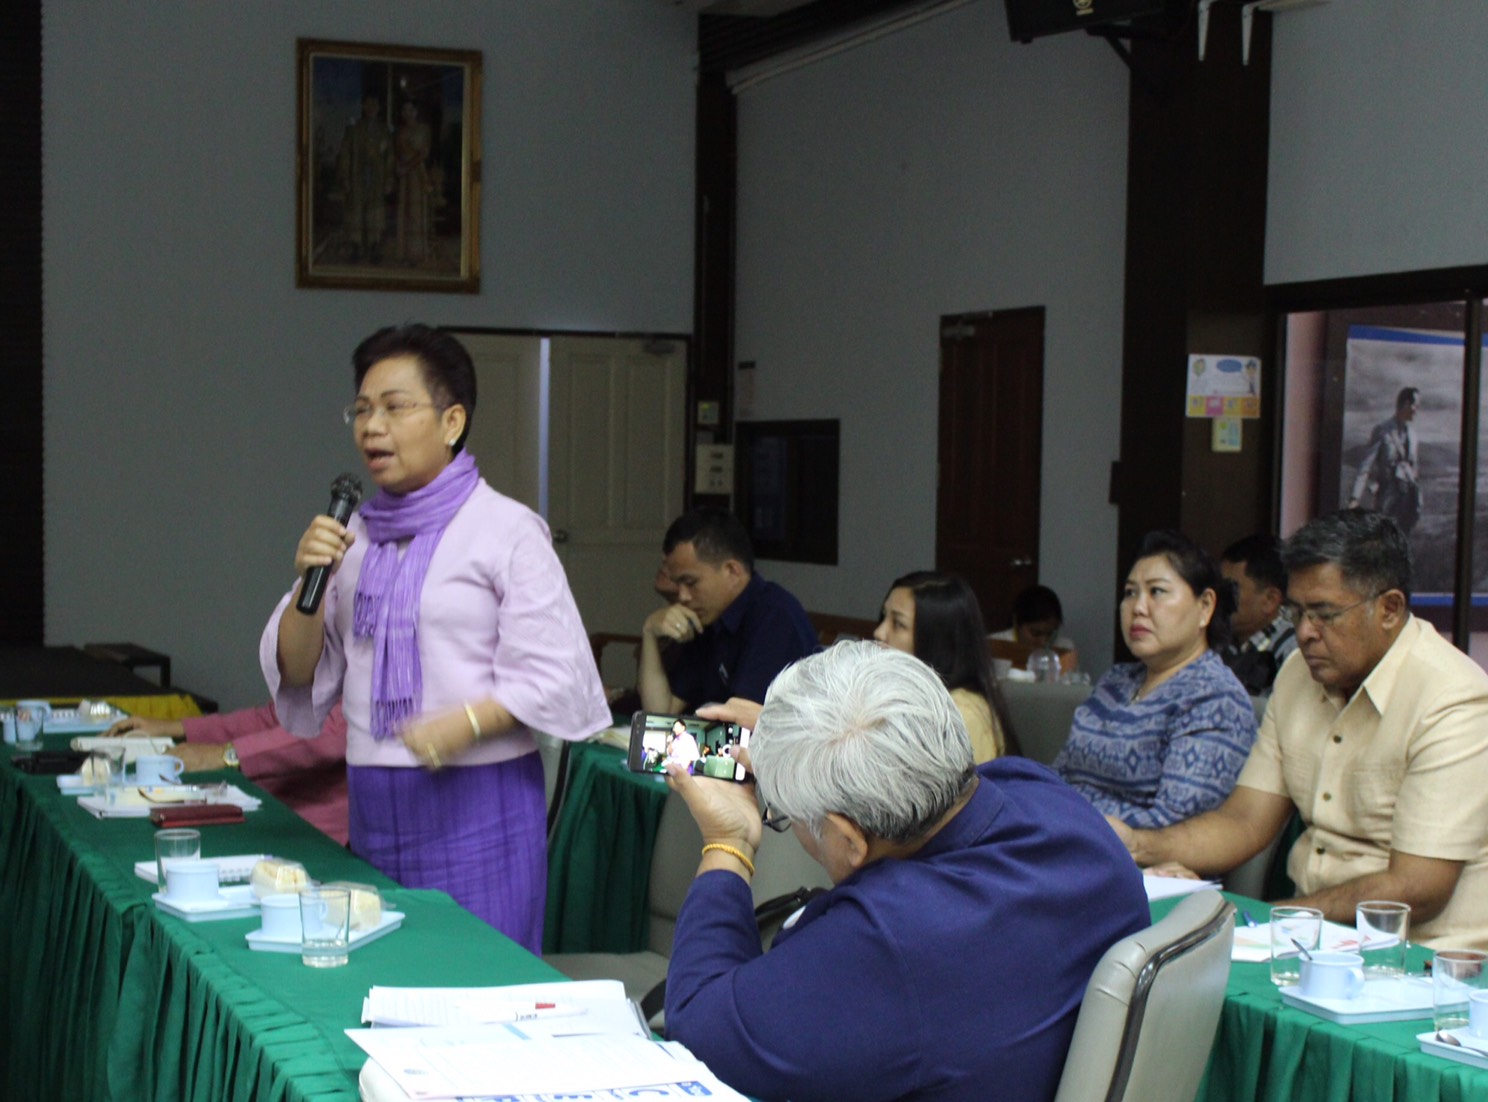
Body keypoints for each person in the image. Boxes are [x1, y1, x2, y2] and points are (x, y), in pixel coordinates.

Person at [661, 642, 1149, 1102]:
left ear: (850, 840)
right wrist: (801, 740)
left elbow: (699, 1024)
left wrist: (729, 843)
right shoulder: (1040, 791)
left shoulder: (889, 938)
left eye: (786, 815)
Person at [260, 323, 609, 953]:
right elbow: (299, 673)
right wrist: (312, 577)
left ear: (452, 422)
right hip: (374, 803)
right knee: (382, 975)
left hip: (479, 803)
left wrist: (467, 723)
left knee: (478, 980)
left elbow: (558, 675)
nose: (372, 427)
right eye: (362, 410)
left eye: (395, 408)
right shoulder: (351, 537)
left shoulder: (506, 530)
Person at [1108, 510, 1488, 949]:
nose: (1305, 632)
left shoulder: (1452, 698)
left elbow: (1418, 888)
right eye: (1297, 612)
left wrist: (1272, 919)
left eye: (1325, 614)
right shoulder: (1296, 675)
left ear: (1389, 609)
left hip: (1421, 959)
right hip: (1310, 940)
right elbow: (1244, 821)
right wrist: (1138, 844)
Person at [1054, 530, 1256, 829]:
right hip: (1065, 834)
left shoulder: (1215, 698)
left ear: (1205, 606)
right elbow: (1057, 778)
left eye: (1157, 591)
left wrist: (1066, 815)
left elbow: (1173, 823)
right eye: (1130, 593)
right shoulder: (1116, 681)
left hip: (1132, 852)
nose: (1138, 607)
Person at [638, 509, 817, 713]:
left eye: (690, 582)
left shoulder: (775, 616)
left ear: (732, 571)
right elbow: (662, 712)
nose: (682, 596)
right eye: (678, 584)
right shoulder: (709, 619)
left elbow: (743, 721)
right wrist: (649, 632)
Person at [104, 703, 349, 845]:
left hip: (320, 839)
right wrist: (177, 728)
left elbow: (335, 730)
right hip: (275, 816)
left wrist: (227, 754)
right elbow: (280, 715)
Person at [873, 570, 1018, 761]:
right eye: (884, 617)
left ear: (937, 639)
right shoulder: (899, 694)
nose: (879, 632)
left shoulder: (960, 714)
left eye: (898, 624)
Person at [1218, 533, 1297, 694]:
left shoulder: (1293, 652)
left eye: (1231, 589)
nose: (1218, 597)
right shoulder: (1219, 641)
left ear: (1270, 600)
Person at [1347, 386, 1422, 535]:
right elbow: (1366, 466)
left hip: (1408, 506)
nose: (1416, 411)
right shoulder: (1382, 430)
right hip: (1387, 503)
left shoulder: (1413, 436)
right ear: (1406, 404)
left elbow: (1414, 470)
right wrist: (1355, 498)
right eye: (1415, 406)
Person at [334, 95, 392, 264]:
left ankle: (374, 247)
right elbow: (345, 154)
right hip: (357, 176)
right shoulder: (353, 129)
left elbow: (390, 157)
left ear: (379, 107)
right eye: (368, 104)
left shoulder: (384, 131)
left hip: (377, 178)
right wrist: (345, 177)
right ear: (363, 106)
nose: (371, 107)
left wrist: (389, 180)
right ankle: (356, 247)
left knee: (375, 212)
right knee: (356, 212)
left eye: (374, 104)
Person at [393, 100, 433, 265]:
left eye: (411, 110)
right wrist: (398, 167)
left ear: (416, 111)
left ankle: (417, 254)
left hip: (418, 174)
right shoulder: (400, 131)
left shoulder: (424, 130)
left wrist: (406, 167)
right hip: (404, 177)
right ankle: (404, 254)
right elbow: (397, 153)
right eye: (404, 110)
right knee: (405, 213)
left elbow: (424, 153)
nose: (407, 113)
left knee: (416, 213)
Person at [991, 583, 1076, 652]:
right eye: (1036, 633)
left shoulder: (1065, 648)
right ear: (1016, 622)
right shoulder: (993, 646)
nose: (1043, 643)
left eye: (1050, 634)